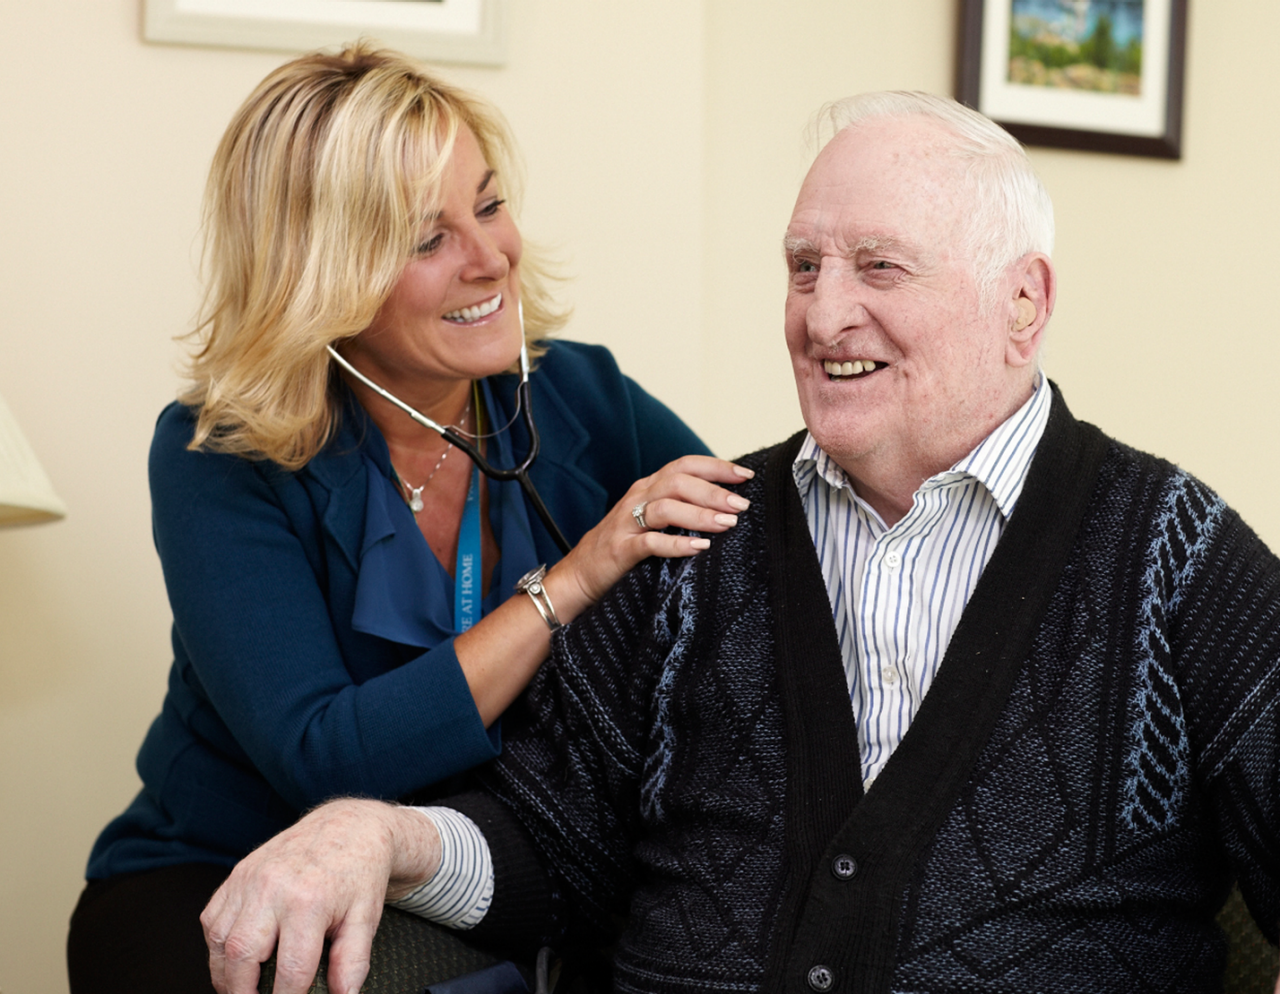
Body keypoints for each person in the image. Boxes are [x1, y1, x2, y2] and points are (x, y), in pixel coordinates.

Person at [201, 92, 1280, 994]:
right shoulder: (697, 539)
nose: (822, 315)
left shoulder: (1176, 560)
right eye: (802, 267)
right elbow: (547, 844)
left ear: (1021, 304)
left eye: (877, 268)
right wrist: (381, 836)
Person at [66, 43, 753, 994]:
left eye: (489, 202)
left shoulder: (580, 395)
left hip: (483, 871)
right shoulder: (221, 454)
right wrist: (574, 580)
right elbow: (325, 757)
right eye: (426, 241)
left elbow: (756, 558)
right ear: (323, 275)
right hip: (235, 878)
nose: (490, 258)